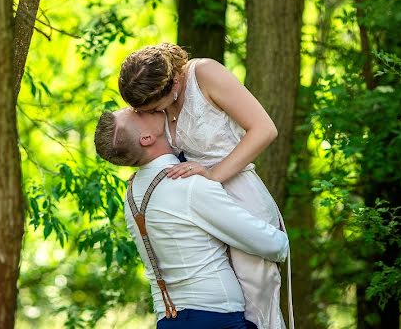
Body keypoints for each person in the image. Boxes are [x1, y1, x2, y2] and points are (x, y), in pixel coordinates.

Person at [118, 43, 292, 329]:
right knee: (227, 304)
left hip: (239, 197)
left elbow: (264, 129)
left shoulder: (205, 74)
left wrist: (213, 175)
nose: (151, 114)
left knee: (256, 304)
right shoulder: (154, 93)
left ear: (173, 82)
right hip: (200, 210)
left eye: (153, 108)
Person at [94, 108, 289, 328]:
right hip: (216, 319)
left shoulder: (130, 195)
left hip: (167, 320)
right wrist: (281, 238)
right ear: (146, 138)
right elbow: (271, 245)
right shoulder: (187, 184)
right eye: (136, 113)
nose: (141, 107)